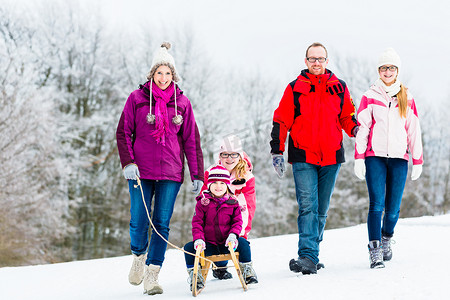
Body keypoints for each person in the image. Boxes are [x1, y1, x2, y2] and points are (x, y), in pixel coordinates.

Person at [116, 42, 204, 295]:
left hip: (171, 172)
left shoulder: (183, 103)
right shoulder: (137, 99)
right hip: (140, 171)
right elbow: (124, 132)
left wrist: (197, 174)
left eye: (168, 73)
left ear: (173, 75)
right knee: (139, 219)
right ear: (152, 74)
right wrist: (128, 163)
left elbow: (191, 140)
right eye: (159, 73)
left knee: (162, 222)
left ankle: (152, 274)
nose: (164, 78)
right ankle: (138, 256)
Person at [269, 42, 358, 275]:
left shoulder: (339, 87)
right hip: (303, 155)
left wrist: (357, 130)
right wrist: (276, 150)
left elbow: (347, 117)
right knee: (308, 206)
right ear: (306, 61)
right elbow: (281, 119)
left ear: (327, 61)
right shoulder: (294, 88)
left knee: (322, 208)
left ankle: (312, 253)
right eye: (312, 59)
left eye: (320, 59)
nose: (316, 63)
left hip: (331, 156)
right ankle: (308, 256)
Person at [353, 48, 423, 269]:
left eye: (391, 67)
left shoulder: (407, 97)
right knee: (377, 205)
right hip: (375, 157)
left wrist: (418, 160)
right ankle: (374, 251)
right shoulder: (369, 96)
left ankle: (386, 238)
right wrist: (359, 157)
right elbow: (363, 128)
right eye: (384, 68)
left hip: (399, 159)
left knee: (392, 209)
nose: (388, 71)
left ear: (397, 70)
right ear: (379, 70)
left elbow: (414, 131)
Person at [183, 164, 258, 291]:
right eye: (215, 183)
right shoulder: (202, 203)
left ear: (227, 185)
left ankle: (247, 270)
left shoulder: (233, 203)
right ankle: (196, 276)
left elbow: (237, 222)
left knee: (244, 243)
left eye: (222, 183)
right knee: (188, 248)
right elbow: (197, 223)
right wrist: (199, 239)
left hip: (228, 243)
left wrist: (233, 235)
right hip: (209, 244)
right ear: (209, 185)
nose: (218, 186)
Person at [199, 134, 256, 280]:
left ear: (240, 156)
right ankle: (220, 267)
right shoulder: (212, 173)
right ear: (220, 155)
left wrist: (242, 230)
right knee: (217, 242)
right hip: (215, 216)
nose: (229, 159)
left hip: (237, 214)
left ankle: (246, 270)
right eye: (225, 155)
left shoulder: (246, 177)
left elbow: (248, 205)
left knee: (240, 242)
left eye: (233, 155)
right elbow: (203, 197)